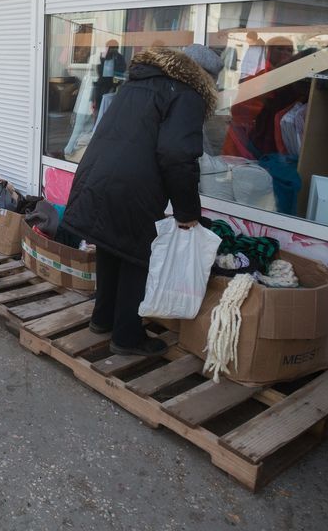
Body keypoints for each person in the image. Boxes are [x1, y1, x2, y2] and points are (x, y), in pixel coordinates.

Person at [62, 45, 218, 356]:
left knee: (110, 244)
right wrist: (187, 212)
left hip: (99, 173)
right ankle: (127, 336)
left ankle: (103, 318)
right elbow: (177, 154)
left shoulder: (138, 82)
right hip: (133, 183)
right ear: (205, 77)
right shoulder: (187, 94)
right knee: (137, 254)